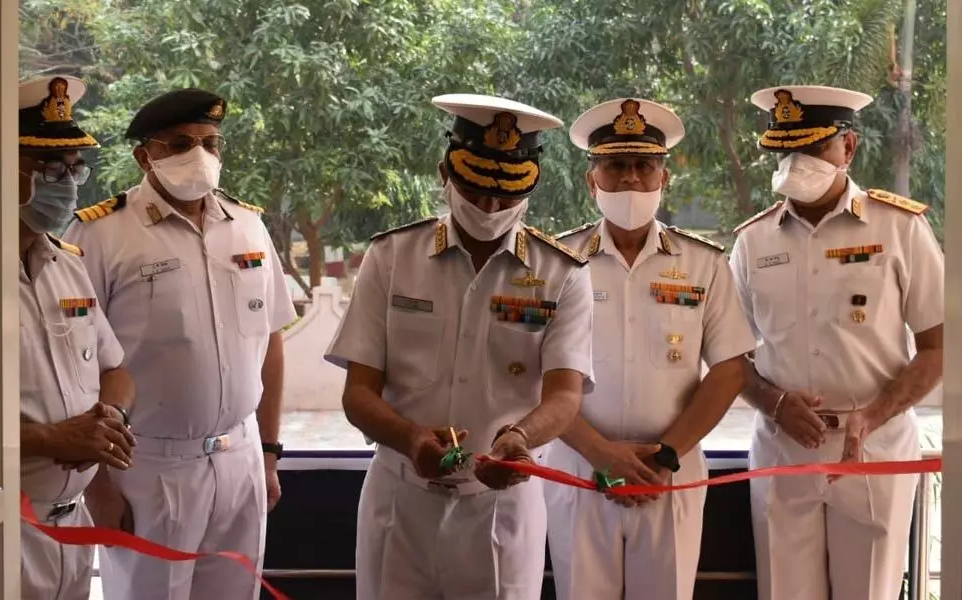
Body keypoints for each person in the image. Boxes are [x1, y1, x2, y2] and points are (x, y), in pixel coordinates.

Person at [325, 94, 594, 600]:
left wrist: (520, 436)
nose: (491, 208)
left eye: (507, 196)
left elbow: (565, 394)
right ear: (445, 173)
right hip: (400, 496)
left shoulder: (562, 274)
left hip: (502, 505)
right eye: (475, 191)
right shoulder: (392, 258)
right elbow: (358, 392)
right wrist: (409, 438)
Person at [64, 88, 296, 600]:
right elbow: (77, 366)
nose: (200, 155)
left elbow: (270, 344)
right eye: (181, 143)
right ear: (144, 155)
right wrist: (97, 486)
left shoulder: (249, 226)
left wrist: (271, 454)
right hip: (146, 469)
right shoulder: (101, 235)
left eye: (211, 143)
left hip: (242, 463)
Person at [730, 85, 944, 600]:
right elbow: (729, 358)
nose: (796, 163)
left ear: (847, 148)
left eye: (811, 148)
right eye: (786, 151)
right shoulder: (752, 242)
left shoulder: (900, 228)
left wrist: (874, 414)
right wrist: (775, 402)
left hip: (875, 446)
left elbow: (941, 344)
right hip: (783, 448)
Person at [543, 98, 755, 600]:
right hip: (578, 469)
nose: (631, 180)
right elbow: (532, 370)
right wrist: (600, 453)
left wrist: (665, 456)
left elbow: (729, 370)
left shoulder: (704, 265)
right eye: (615, 166)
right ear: (590, 181)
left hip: (671, 473)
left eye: (644, 166)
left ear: (665, 179)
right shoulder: (554, 263)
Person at [16, 75, 136, 600]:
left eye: (73, 168)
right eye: (48, 167)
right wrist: (48, 439)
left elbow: (116, 370)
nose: (67, 182)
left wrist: (107, 421)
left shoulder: (66, 264)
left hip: (72, 527)